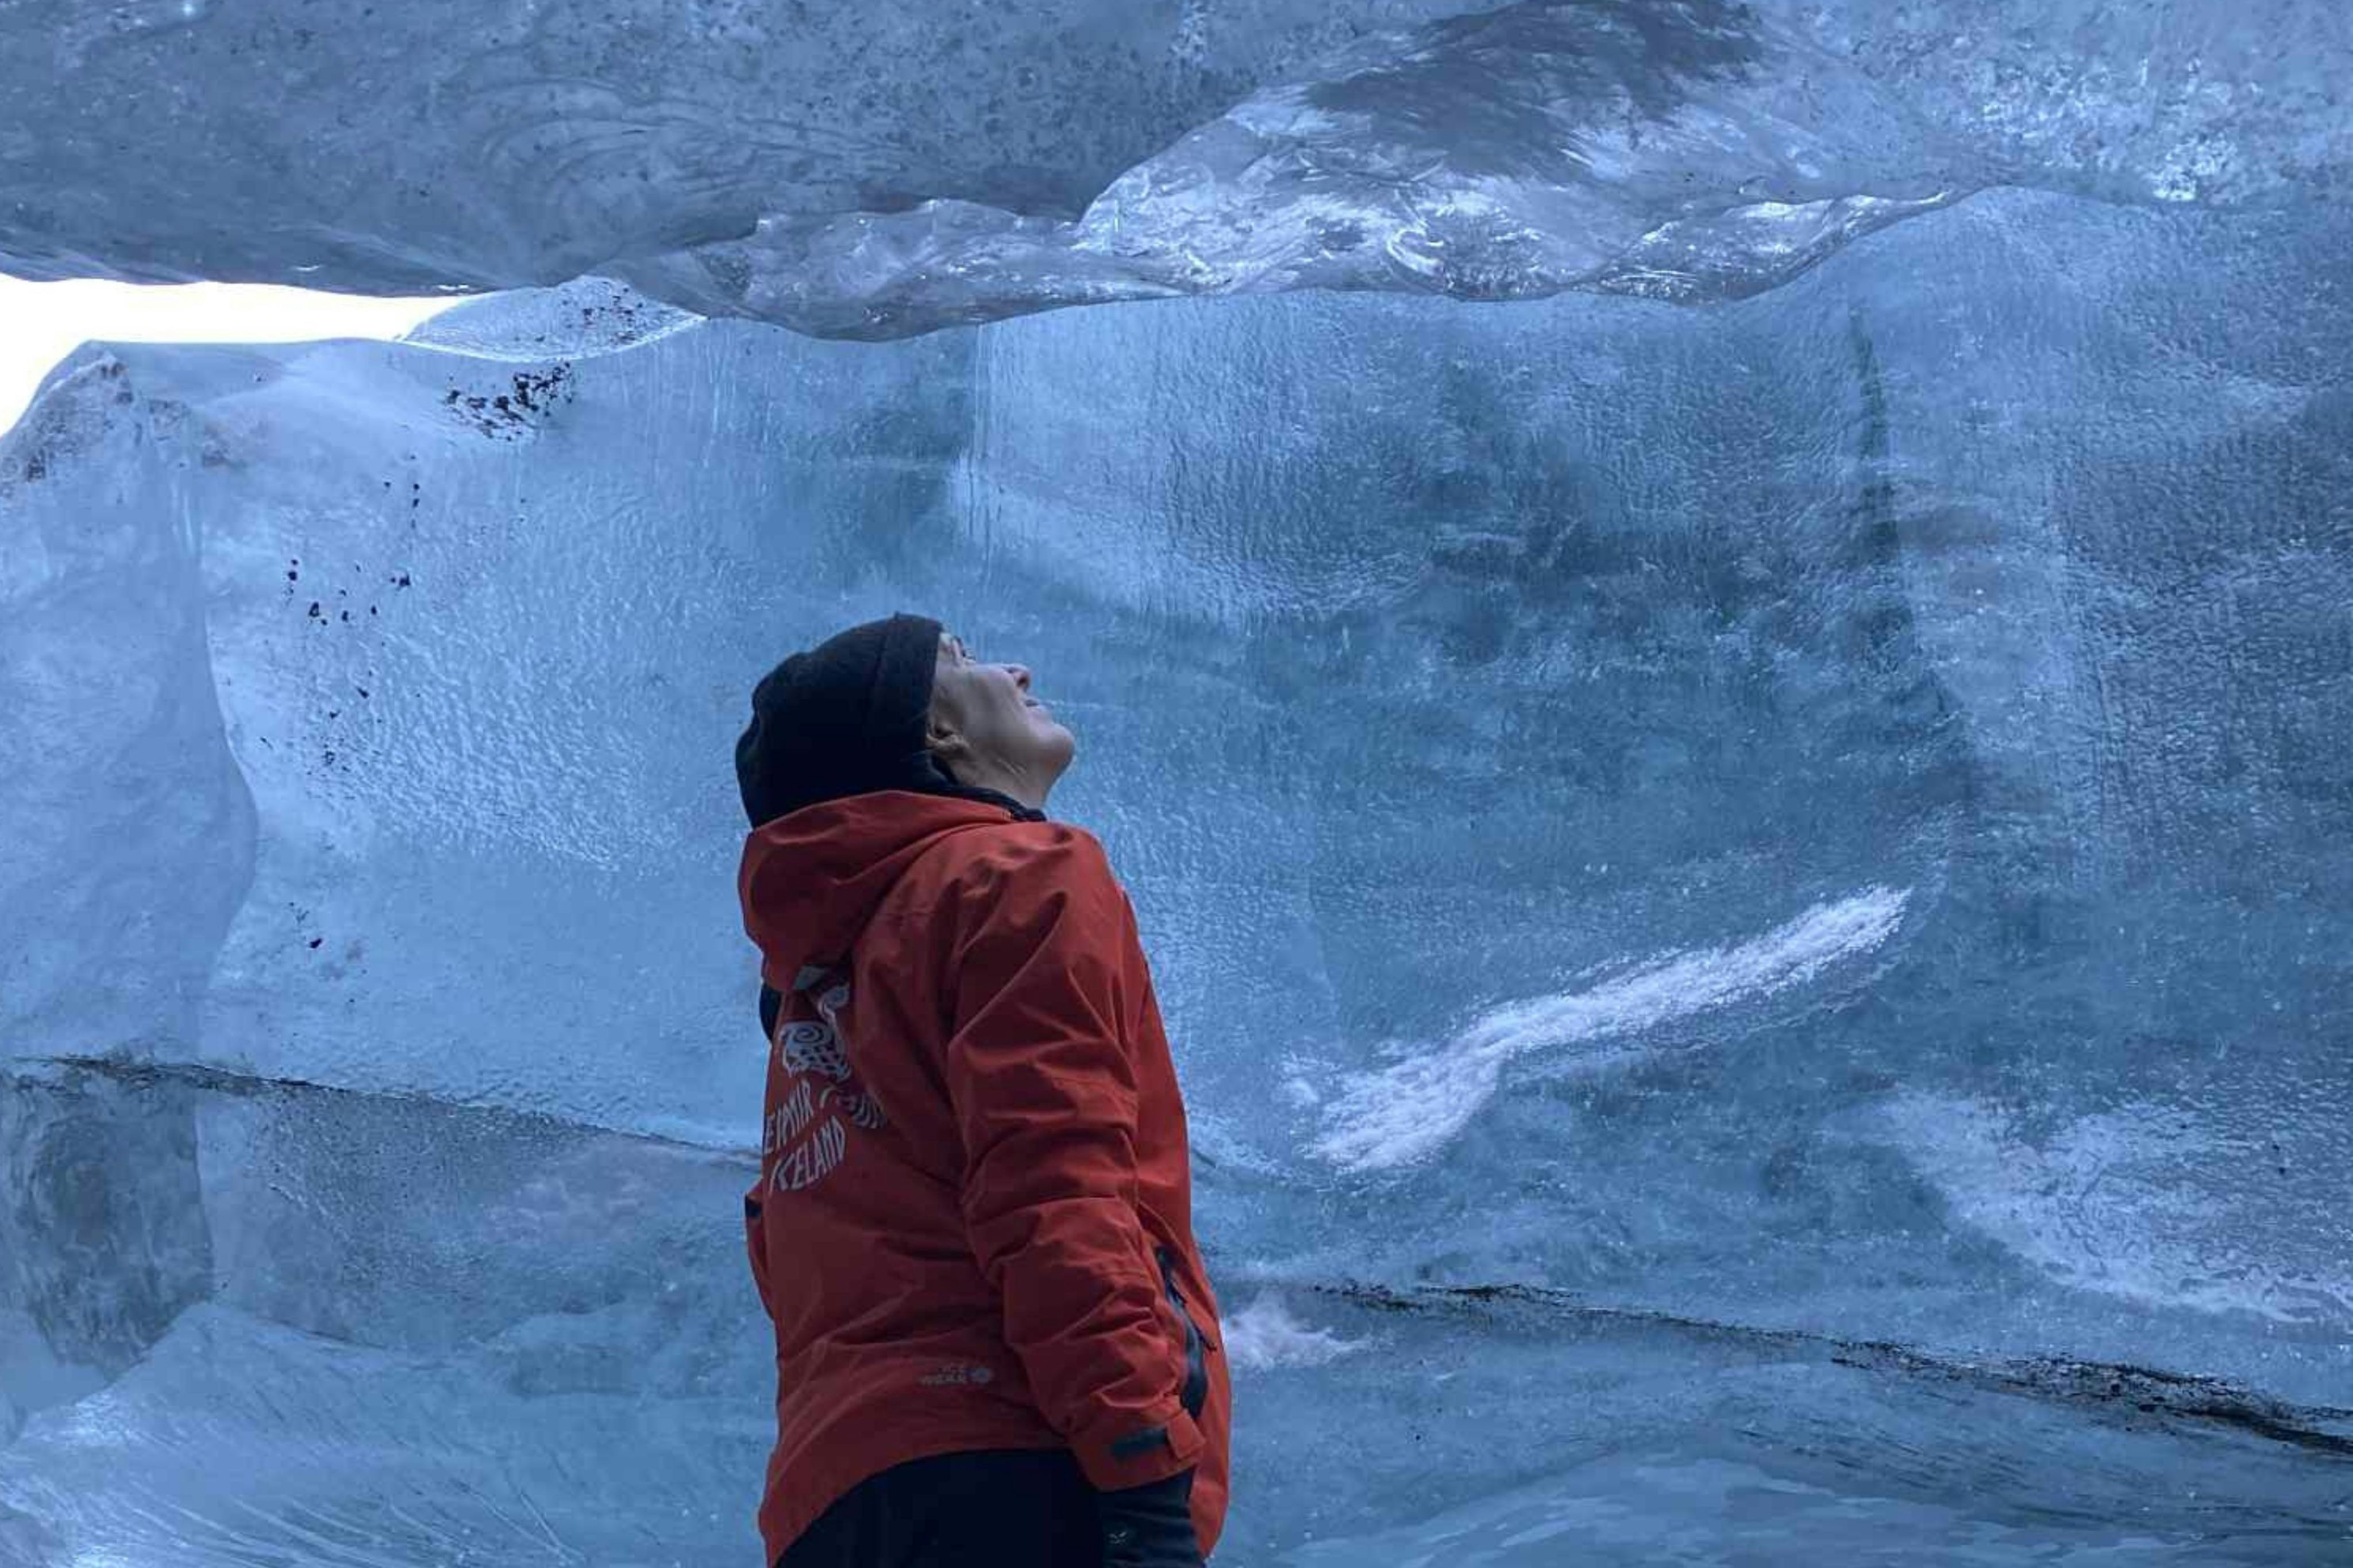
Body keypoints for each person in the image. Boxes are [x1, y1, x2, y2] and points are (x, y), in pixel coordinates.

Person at [732, 612, 1232, 1568]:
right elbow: (1054, 1193)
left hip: (831, 1504)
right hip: (1016, 1467)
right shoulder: (1019, 876)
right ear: (939, 737)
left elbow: (794, 1271)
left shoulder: (813, 1002)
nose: (1017, 666)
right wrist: (1143, 1479)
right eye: (963, 660)